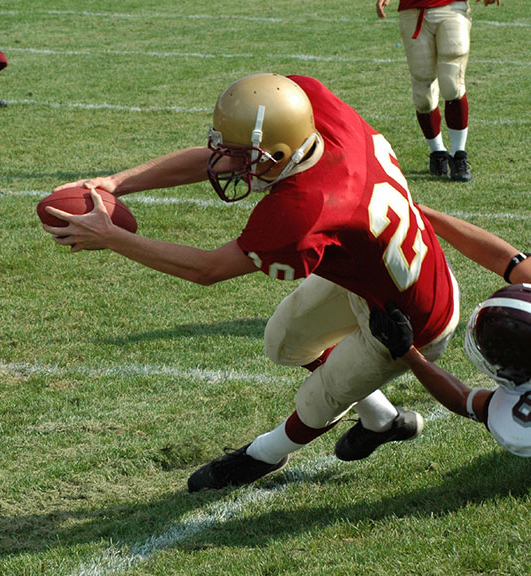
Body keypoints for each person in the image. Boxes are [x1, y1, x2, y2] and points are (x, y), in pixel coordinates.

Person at [42, 73, 459, 492]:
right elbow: (228, 155)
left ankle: (263, 454)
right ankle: (382, 419)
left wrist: (112, 237)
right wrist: (116, 182)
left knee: (320, 396)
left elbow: (207, 270)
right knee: (285, 341)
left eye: (245, 158)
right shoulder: (306, 108)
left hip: (410, 317)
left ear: (278, 153)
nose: (231, 164)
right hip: (373, 270)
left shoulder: (304, 209)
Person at [369, 283, 531, 457]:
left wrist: (406, 351)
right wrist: (408, 352)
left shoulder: (518, 424)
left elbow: (464, 400)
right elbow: (464, 400)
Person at [375, 0, 501, 182]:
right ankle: (438, 152)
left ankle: (458, 154)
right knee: (423, 94)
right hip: (414, 11)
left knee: (453, 84)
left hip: (452, 8)